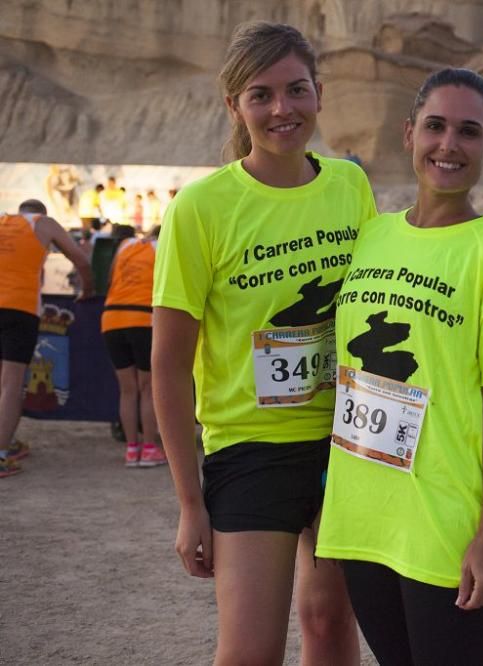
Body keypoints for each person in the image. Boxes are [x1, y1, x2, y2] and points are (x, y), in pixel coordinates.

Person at [314, 68, 483, 666]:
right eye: (435, 127)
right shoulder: (371, 237)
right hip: (362, 520)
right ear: (408, 134)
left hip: (444, 526)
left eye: (469, 132)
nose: (448, 145)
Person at [152, 21, 375, 664]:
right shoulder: (201, 207)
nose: (282, 109)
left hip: (347, 441)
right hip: (251, 451)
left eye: (296, 89)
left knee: (331, 624)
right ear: (235, 107)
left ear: (318, 94)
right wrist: (189, 502)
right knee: (251, 649)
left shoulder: (349, 185)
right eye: (261, 94)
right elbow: (168, 367)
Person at [0, 199, 94, 477]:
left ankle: (8, 440)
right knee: (11, 384)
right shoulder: (44, 224)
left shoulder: (4, 222)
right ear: (42, 212)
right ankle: (1, 452)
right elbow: (80, 260)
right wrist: (87, 291)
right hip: (20, 308)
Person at [101, 224, 165, 467]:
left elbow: (109, 278)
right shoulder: (164, 247)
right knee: (147, 388)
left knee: (127, 390)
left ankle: (131, 448)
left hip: (111, 318)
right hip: (142, 318)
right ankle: (149, 447)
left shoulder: (125, 246)